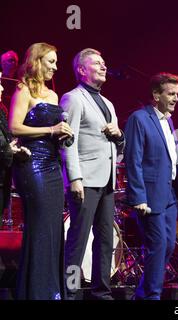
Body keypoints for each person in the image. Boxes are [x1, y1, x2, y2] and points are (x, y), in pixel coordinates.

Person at [124, 72, 178, 300]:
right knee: (158, 246)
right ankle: (152, 296)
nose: (176, 98)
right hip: (149, 195)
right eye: (171, 93)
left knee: (167, 246)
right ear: (156, 95)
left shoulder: (168, 120)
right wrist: (138, 197)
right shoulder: (139, 118)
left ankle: (143, 294)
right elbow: (133, 159)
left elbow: (170, 159)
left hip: (168, 196)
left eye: (177, 93)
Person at [9, 43, 73, 299]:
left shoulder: (54, 95)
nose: (55, 68)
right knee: (40, 227)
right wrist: (50, 130)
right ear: (36, 61)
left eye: (56, 63)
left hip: (53, 165)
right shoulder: (23, 90)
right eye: (51, 62)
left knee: (54, 228)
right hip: (31, 165)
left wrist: (64, 134)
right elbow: (14, 127)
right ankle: (34, 292)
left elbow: (55, 132)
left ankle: (51, 291)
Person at [61, 48, 124, 300]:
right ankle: (70, 292)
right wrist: (74, 178)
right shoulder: (73, 98)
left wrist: (120, 136)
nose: (104, 66)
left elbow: (117, 145)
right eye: (97, 63)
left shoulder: (107, 103)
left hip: (106, 180)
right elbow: (67, 141)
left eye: (104, 62)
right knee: (78, 240)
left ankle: (102, 293)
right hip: (85, 181)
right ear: (81, 69)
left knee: (105, 240)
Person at [0, 72, 30, 227]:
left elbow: (6, 141)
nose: (2, 88)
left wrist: (16, 151)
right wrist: (6, 149)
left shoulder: (1, 111)